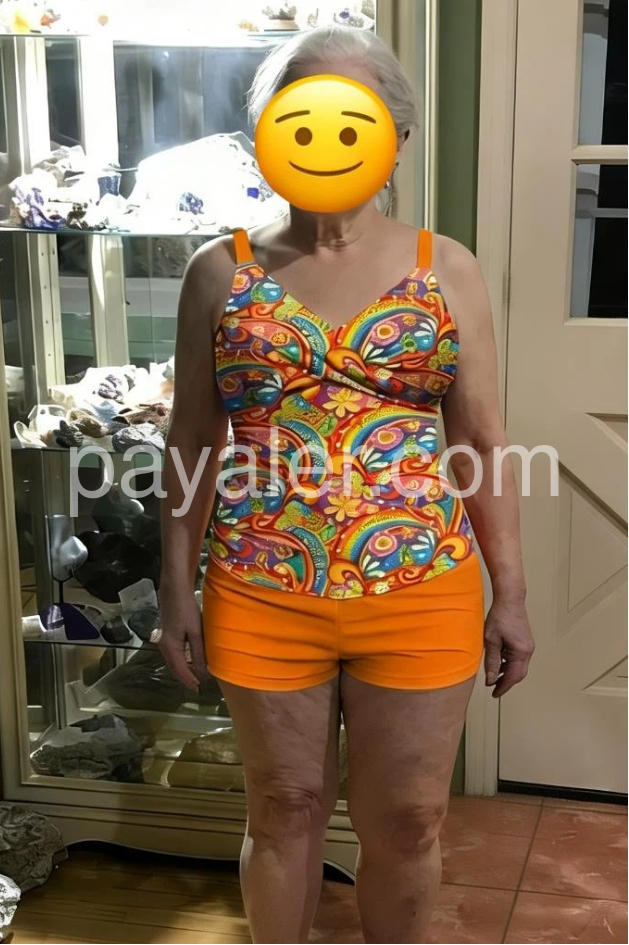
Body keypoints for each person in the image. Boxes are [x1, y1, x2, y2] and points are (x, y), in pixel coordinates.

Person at [159, 26, 534, 945]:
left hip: (421, 588)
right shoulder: (219, 272)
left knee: (407, 821)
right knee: (283, 808)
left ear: (394, 138)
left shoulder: (446, 268)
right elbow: (190, 439)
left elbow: (479, 441)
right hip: (259, 587)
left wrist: (511, 593)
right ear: (267, 132)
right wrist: (175, 586)